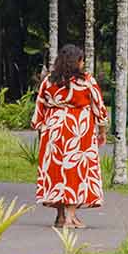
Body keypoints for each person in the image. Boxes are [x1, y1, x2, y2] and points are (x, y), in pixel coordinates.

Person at [32, 43, 106, 229]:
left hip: (54, 129)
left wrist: (40, 127)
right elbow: (99, 106)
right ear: (76, 62)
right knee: (75, 170)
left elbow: (40, 105)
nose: (83, 64)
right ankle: (71, 217)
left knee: (56, 171)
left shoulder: (49, 80)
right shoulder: (87, 81)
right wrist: (102, 130)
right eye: (81, 61)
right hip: (78, 130)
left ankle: (60, 216)